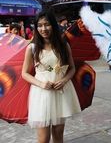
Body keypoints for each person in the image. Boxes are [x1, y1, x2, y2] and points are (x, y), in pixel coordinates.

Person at [21, 8, 81, 143]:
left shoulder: (63, 45)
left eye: (47, 24)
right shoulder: (32, 48)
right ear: (36, 28)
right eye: (40, 25)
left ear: (53, 25)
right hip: (41, 94)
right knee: (43, 139)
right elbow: (24, 73)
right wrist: (41, 84)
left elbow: (72, 68)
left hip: (61, 92)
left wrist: (64, 80)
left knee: (58, 136)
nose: (44, 29)